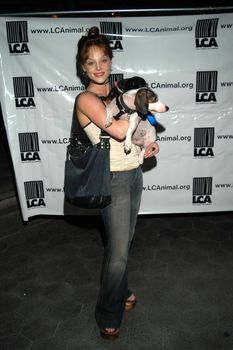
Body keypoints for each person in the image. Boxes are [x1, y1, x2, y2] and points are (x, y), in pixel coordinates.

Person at [75, 26, 159, 339]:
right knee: (119, 251)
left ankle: (121, 291)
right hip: (112, 181)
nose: (98, 67)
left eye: (103, 60)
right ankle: (108, 314)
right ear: (83, 67)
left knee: (123, 242)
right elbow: (120, 128)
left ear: (111, 61)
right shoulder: (86, 100)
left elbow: (135, 130)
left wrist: (148, 142)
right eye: (91, 62)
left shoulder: (116, 94)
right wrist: (136, 110)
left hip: (133, 173)